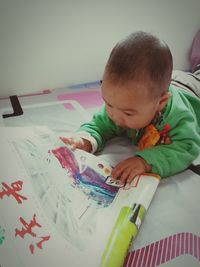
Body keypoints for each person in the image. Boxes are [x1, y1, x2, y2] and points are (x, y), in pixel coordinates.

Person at [61, 31, 200, 186]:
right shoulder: (121, 103)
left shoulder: (178, 117)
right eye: (108, 103)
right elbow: (99, 124)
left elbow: (187, 147)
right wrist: (85, 140)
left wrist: (145, 162)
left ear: (161, 103)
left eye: (128, 113)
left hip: (193, 89)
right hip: (169, 82)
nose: (114, 116)